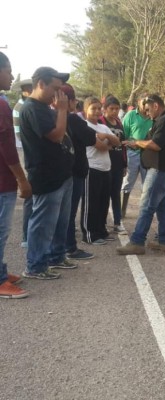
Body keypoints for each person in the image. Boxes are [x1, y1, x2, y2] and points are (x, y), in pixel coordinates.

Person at [19, 66, 77, 280]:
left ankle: (56, 256)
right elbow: (56, 136)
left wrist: (58, 110)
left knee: (60, 221)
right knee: (43, 223)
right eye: (55, 88)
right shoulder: (32, 108)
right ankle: (35, 265)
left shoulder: (45, 108)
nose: (58, 94)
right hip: (46, 175)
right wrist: (62, 110)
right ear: (41, 84)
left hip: (61, 175)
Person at [117, 94, 165, 255]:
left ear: (156, 106)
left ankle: (137, 241)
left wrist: (137, 142)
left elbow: (156, 145)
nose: (147, 113)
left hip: (160, 170)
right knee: (161, 205)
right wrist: (137, 144)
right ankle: (164, 240)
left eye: (148, 109)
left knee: (147, 204)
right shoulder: (160, 120)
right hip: (161, 169)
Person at [0, 52, 32, 298]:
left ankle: (1, 271)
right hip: (3, 181)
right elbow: (8, 149)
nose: (12, 75)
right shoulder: (1, 105)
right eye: (9, 70)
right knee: (1, 230)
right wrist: (22, 179)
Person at [61, 84, 97, 260]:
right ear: (70, 102)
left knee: (64, 212)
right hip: (75, 171)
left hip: (66, 171)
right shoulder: (72, 119)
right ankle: (69, 247)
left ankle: (62, 248)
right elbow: (91, 137)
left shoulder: (53, 117)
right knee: (69, 212)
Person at [80, 97, 120, 245]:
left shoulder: (103, 127)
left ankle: (101, 231)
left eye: (98, 108)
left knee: (103, 203)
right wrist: (108, 143)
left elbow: (117, 142)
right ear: (86, 110)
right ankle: (89, 234)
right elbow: (102, 147)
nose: (97, 111)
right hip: (92, 168)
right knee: (91, 203)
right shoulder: (85, 126)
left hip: (106, 169)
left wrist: (108, 137)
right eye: (93, 108)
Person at [121, 94, 152, 218]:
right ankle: (122, 210)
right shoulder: (131, 115)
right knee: (128, 182)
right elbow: (124, 134)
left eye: (148, 102)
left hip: (148, 154)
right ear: (138, 102)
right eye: (144, 102)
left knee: (148, 185)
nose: (146, 105)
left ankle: (144, 212)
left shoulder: (153, 116)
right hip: (132, 153)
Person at [100, 96, 127, 234]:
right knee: (104, 194)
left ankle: (117, 222)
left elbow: (123, 145)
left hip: (117, 163)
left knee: (116, 194)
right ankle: (102, 222)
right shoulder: (100, 122)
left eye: (117, 109)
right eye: (112, 109)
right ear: (105, 109)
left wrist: (124, 164)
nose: (115, 111)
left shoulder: (118, 123)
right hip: (105, 163)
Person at [11, 78, 33, 248]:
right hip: (27, 153)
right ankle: (26, 236)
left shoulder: (28, 106)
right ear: (25, 90)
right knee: (31, 197)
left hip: (28, 151)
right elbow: (21, 136)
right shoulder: (21, 108)